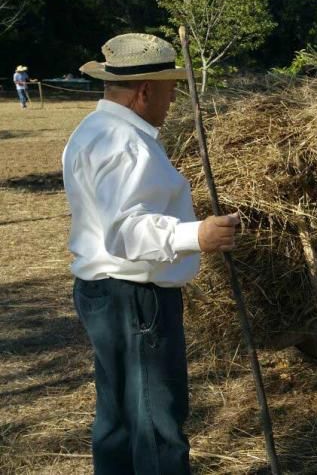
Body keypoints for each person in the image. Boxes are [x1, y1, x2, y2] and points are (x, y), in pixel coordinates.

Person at [64, 33, 239, 474]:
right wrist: (197, 235)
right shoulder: (125, 144)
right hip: (135, 300)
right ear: (144, 92)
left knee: (118, 418)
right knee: (156, 423)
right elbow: (124, 232)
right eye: (170, 91)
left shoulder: (92, 130)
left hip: (103, 293)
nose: (173, 101)